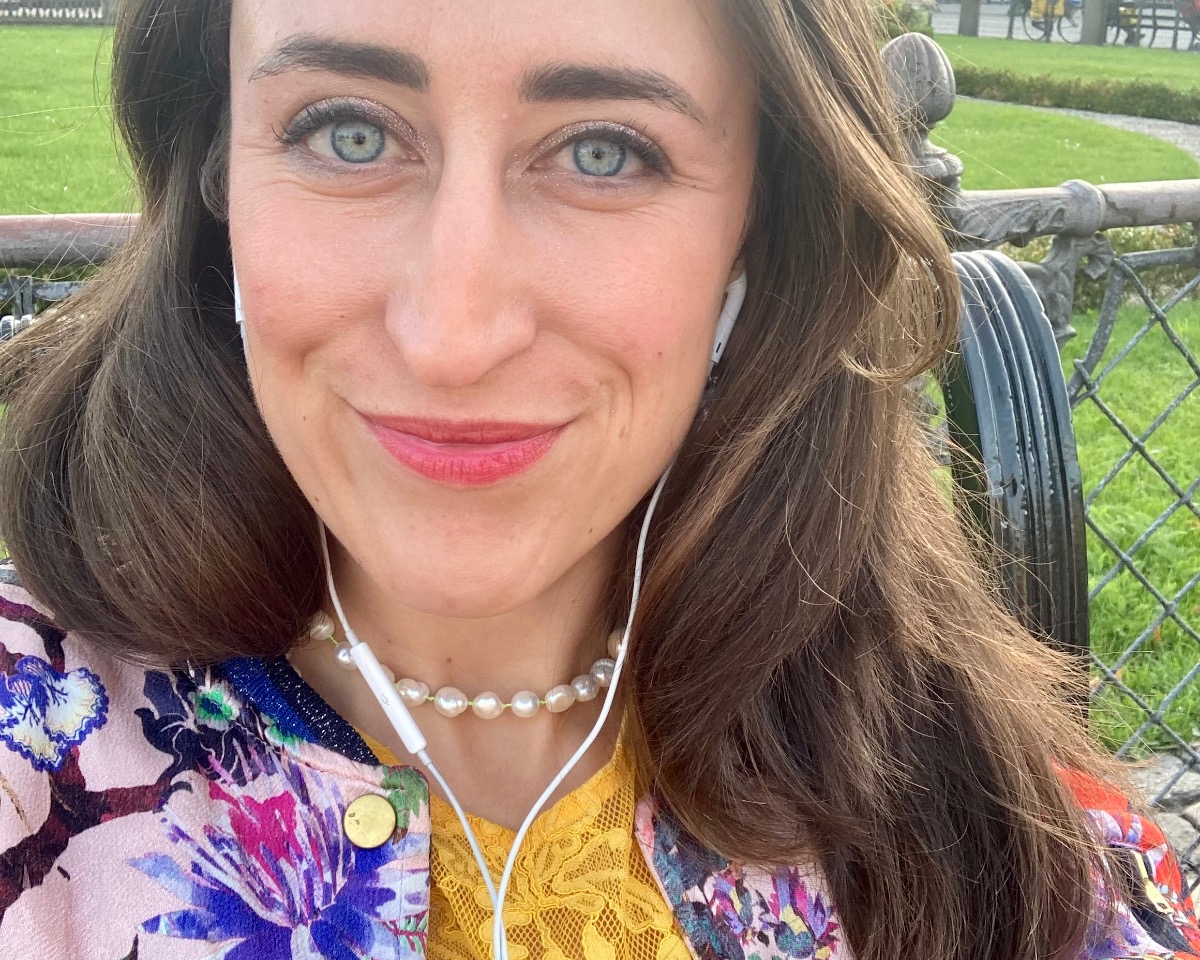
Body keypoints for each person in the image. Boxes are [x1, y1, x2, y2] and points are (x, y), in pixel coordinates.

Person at [0, 1, 1197, 959]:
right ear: (217, 172)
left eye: (602, 151)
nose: (453, 337)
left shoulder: (983, 821)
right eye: (346, 132)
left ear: (762, 226)